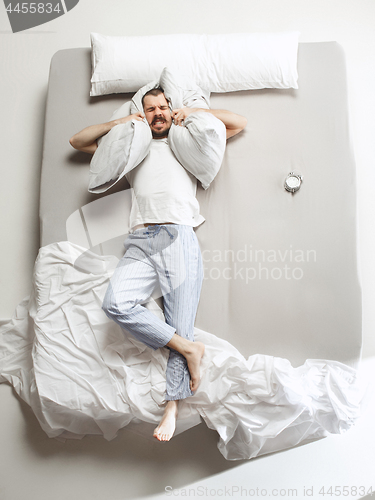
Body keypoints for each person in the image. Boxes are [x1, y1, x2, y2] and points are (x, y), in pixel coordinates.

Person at [69, 89, 247, 441]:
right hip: (141, 238)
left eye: (163, 107)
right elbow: (77, 141)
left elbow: (237, 124)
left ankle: (172, 407)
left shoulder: (188, 145)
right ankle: (187, 348)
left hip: (179, 235)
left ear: (171, 109)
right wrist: (122, 122)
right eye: (150, 109)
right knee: (116, 303)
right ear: (143, 115)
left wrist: (188, 113)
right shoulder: (132, 150)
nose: (158, 113)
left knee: (179, 320)